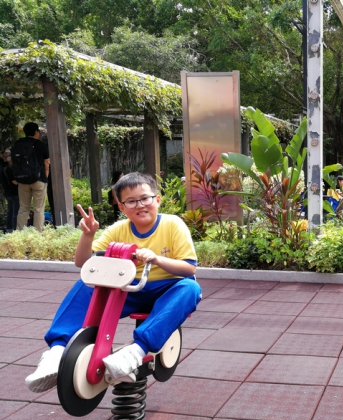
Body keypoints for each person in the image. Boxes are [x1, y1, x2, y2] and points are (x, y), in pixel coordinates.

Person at [25, 172, 201, 393]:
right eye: (131, 201)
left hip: (167, 288)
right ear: (122, 207)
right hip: (129, 288)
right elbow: (82, 262)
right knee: (87, 284)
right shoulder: (119, 229)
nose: (140, 205)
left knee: (190, 288)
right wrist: (88, 235)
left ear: (157, 199)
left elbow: (189, 268)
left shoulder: (173, 224)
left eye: (145, 198)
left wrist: (156, 259)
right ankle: (57, 352)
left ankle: (136, 352)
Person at [12, 122, 50, 232]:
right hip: (39, 180)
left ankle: (20, 235)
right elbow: (46, 163)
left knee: (23, 209)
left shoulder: (18, 144)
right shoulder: (41, 145)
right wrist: (45, 178)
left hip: (22, 180)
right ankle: (37, 235)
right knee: (39, 210)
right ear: (36, 132)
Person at [1, 149, 19, 232]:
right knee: (16, 212)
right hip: (14, 192)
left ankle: (9, 228)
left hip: (7, 192)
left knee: (10, 211)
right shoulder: (8, 169)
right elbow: (14, 182)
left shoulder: (2, 169)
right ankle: (15, 229)